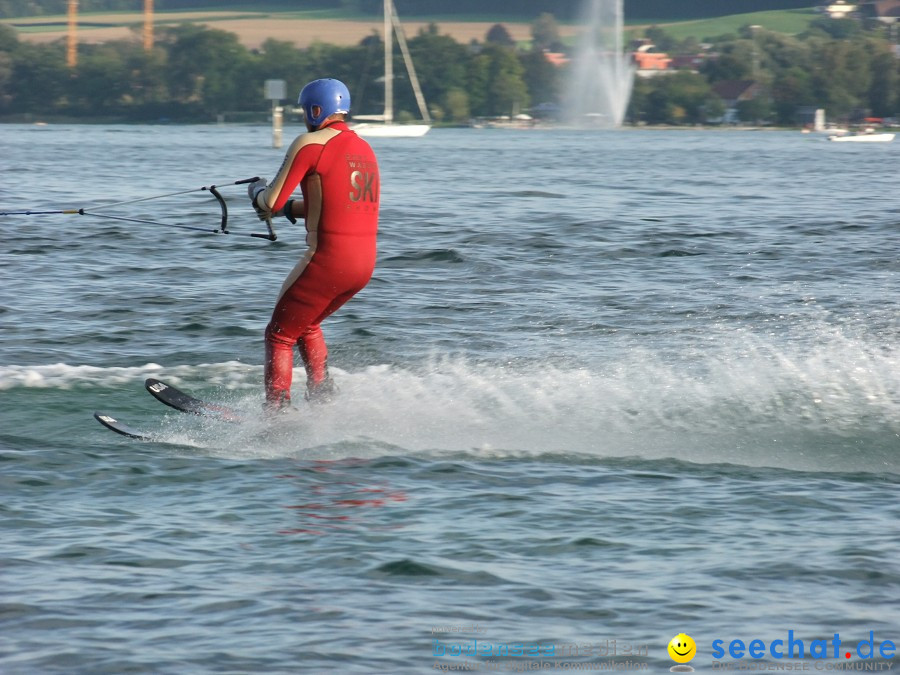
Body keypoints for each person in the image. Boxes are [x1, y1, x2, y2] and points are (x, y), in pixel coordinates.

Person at [248, 78, 380, 411]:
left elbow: (271, 201)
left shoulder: (310, 143)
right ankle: (322, 401)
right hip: (362, 266)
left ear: (315, 110)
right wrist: (292, 209)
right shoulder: (364, 149)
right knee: (307, 323)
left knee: (279, 334)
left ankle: (275, 415)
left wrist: (256, 193)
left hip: (328, 259)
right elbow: (340, 204)